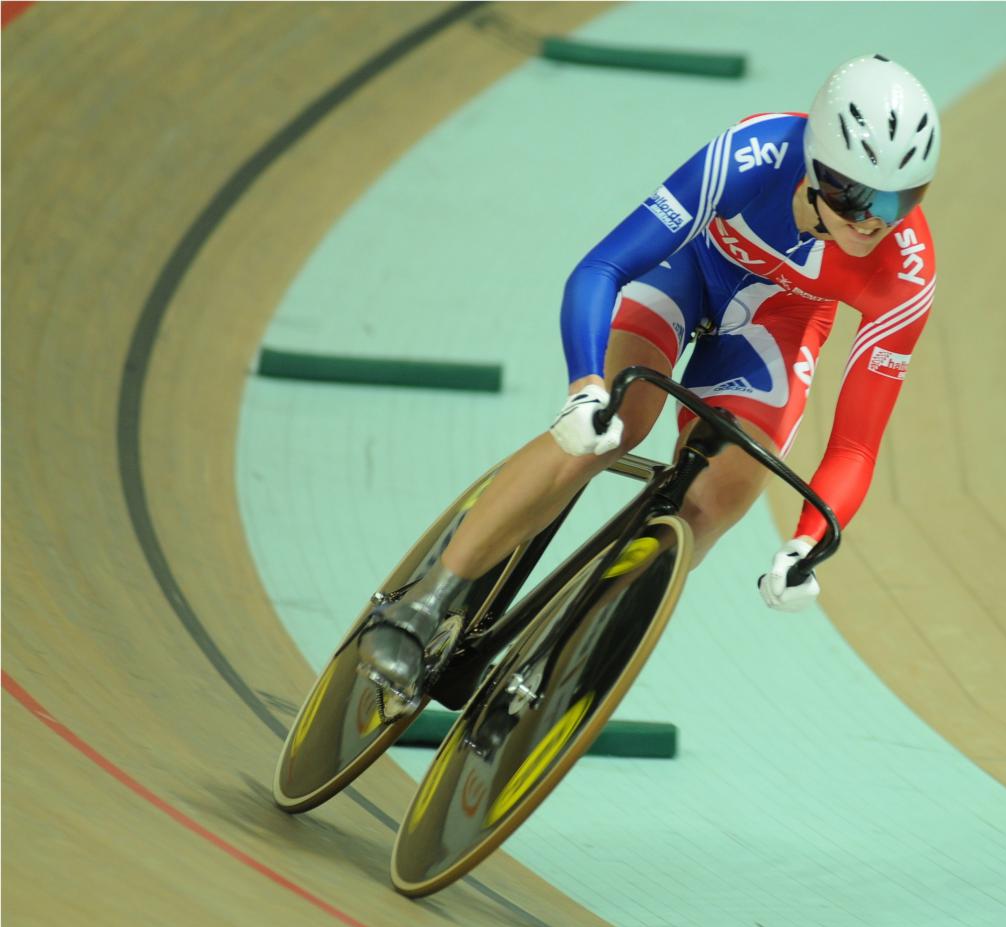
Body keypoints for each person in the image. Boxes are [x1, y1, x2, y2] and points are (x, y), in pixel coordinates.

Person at [358, 54, 940, 700]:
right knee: (617, 421)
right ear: (815, 166)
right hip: (691, 270)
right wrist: (585, 389)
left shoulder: (907, 272)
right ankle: (422, 604)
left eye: (900, 198)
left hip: (777, 321)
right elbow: (602, 267)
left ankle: (567, 671)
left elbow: (855, 446)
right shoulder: (753, 157)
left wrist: (808, 542)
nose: (873, 221)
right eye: (857, 195)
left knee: (720, 495)